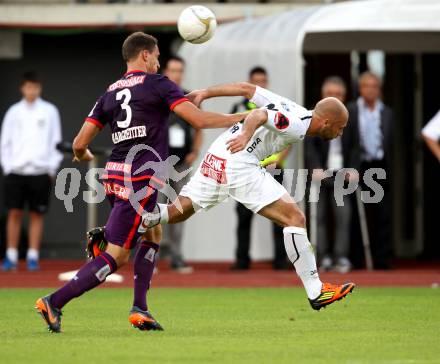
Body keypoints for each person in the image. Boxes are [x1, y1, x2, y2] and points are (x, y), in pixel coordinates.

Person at [34, 32, 243, 333]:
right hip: (140, 179)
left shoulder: (110, 91)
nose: (158, 63)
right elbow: (196, 119)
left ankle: (140, 308)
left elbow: (80, 143)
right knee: (117, 255)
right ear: (145, 55)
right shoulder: (158, 85)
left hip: (114, 175)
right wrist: (237, 121)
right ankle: (54, 301)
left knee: (153, 231)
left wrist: (84, 153)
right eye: (157, 56)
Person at [143, 82, 355, 311]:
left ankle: (127, 222)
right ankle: (317, 291)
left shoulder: (293, 108)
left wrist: (205, 92)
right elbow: (258, 114)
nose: (340, 133)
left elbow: (246, 88)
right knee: (295, 219)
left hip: (218, 154)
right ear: (326, 122)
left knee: (177, 212)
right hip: (239, 162)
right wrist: (246, 134)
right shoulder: (296, 124)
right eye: (340, 128)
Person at [0, 71, 63, 272]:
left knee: (37, 215)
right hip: (16, 171)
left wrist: (51, 168)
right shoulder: (13, 112)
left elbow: (57, 141)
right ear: (22, 88)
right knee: (14, 213)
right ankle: (10, 256)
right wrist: (8, 167)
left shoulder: (50, 111)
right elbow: (5, 142)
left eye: (35, 87)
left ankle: (32, 256)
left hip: (40, 172)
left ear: (40, 88)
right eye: (28, 87)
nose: (31, 91)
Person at [230, 66, 288, 271]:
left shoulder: (278, 107)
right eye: (257, 82)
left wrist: (278, 160)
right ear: (251, 84)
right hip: (245, 170)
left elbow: (287, 138)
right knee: (243, 215)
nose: (261, 85)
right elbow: (230, 138)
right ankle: (241, 260)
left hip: (273, 168)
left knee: (280, 215)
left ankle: (281, 260)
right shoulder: (238, 106)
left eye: (263, 81)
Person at [306, 76, 357, 273]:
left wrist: (353, 168)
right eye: (330, 94)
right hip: (320, 172)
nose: (334, 97)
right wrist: (315, 167)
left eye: (337, 94)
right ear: (323, 96)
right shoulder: (314, 115)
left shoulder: (350, 115)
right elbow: (309, 145)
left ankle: (341, 257)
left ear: (343, 96)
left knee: (343, 216)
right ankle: (322, 256)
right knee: (318, 217)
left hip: (342, 174)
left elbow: (355, 146)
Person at [346, 72, 393, 269]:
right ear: (360, 88)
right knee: (358, 213)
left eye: (374, 86)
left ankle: (382, 258)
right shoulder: (351, 110)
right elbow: (347, 142)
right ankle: (357, 258)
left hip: (380, 165)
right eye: (366, 86)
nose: (370, 90)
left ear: (379, 89)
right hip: (360, 167)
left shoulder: (387, 112)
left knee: (383, 213)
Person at [161, 56, 201, 273]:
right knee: (152, 208)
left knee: (179, 208)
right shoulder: (157, 95)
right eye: (173, 70)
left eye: (179, 70)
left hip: (181, 163)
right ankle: (151, 255)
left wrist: (195, 151)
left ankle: (176, 255)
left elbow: (199, 127)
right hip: (158, 162)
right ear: (166, 71)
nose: (176, 74)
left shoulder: (189, 97)